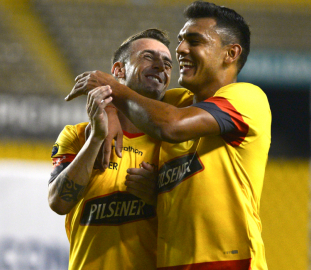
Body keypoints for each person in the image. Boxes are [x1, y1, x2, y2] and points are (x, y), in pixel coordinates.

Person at [66, 1, 271, 269]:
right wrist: (109, 109)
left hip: (229, 262)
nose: (181, 49)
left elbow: (170, 126)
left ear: (230, 53)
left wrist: (112, 88)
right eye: (181, 40)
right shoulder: (176, 102)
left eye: (194, 41)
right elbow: (137, 98)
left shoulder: (247, 99)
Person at [48, 28, 191, 270]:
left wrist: (158, 197)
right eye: (148, 57)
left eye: (168, 63)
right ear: (117, 71)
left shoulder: (174, 143)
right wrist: (96, 138)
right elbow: (59, 203)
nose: (161, 66)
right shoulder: (76, 135)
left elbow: (191, 224)